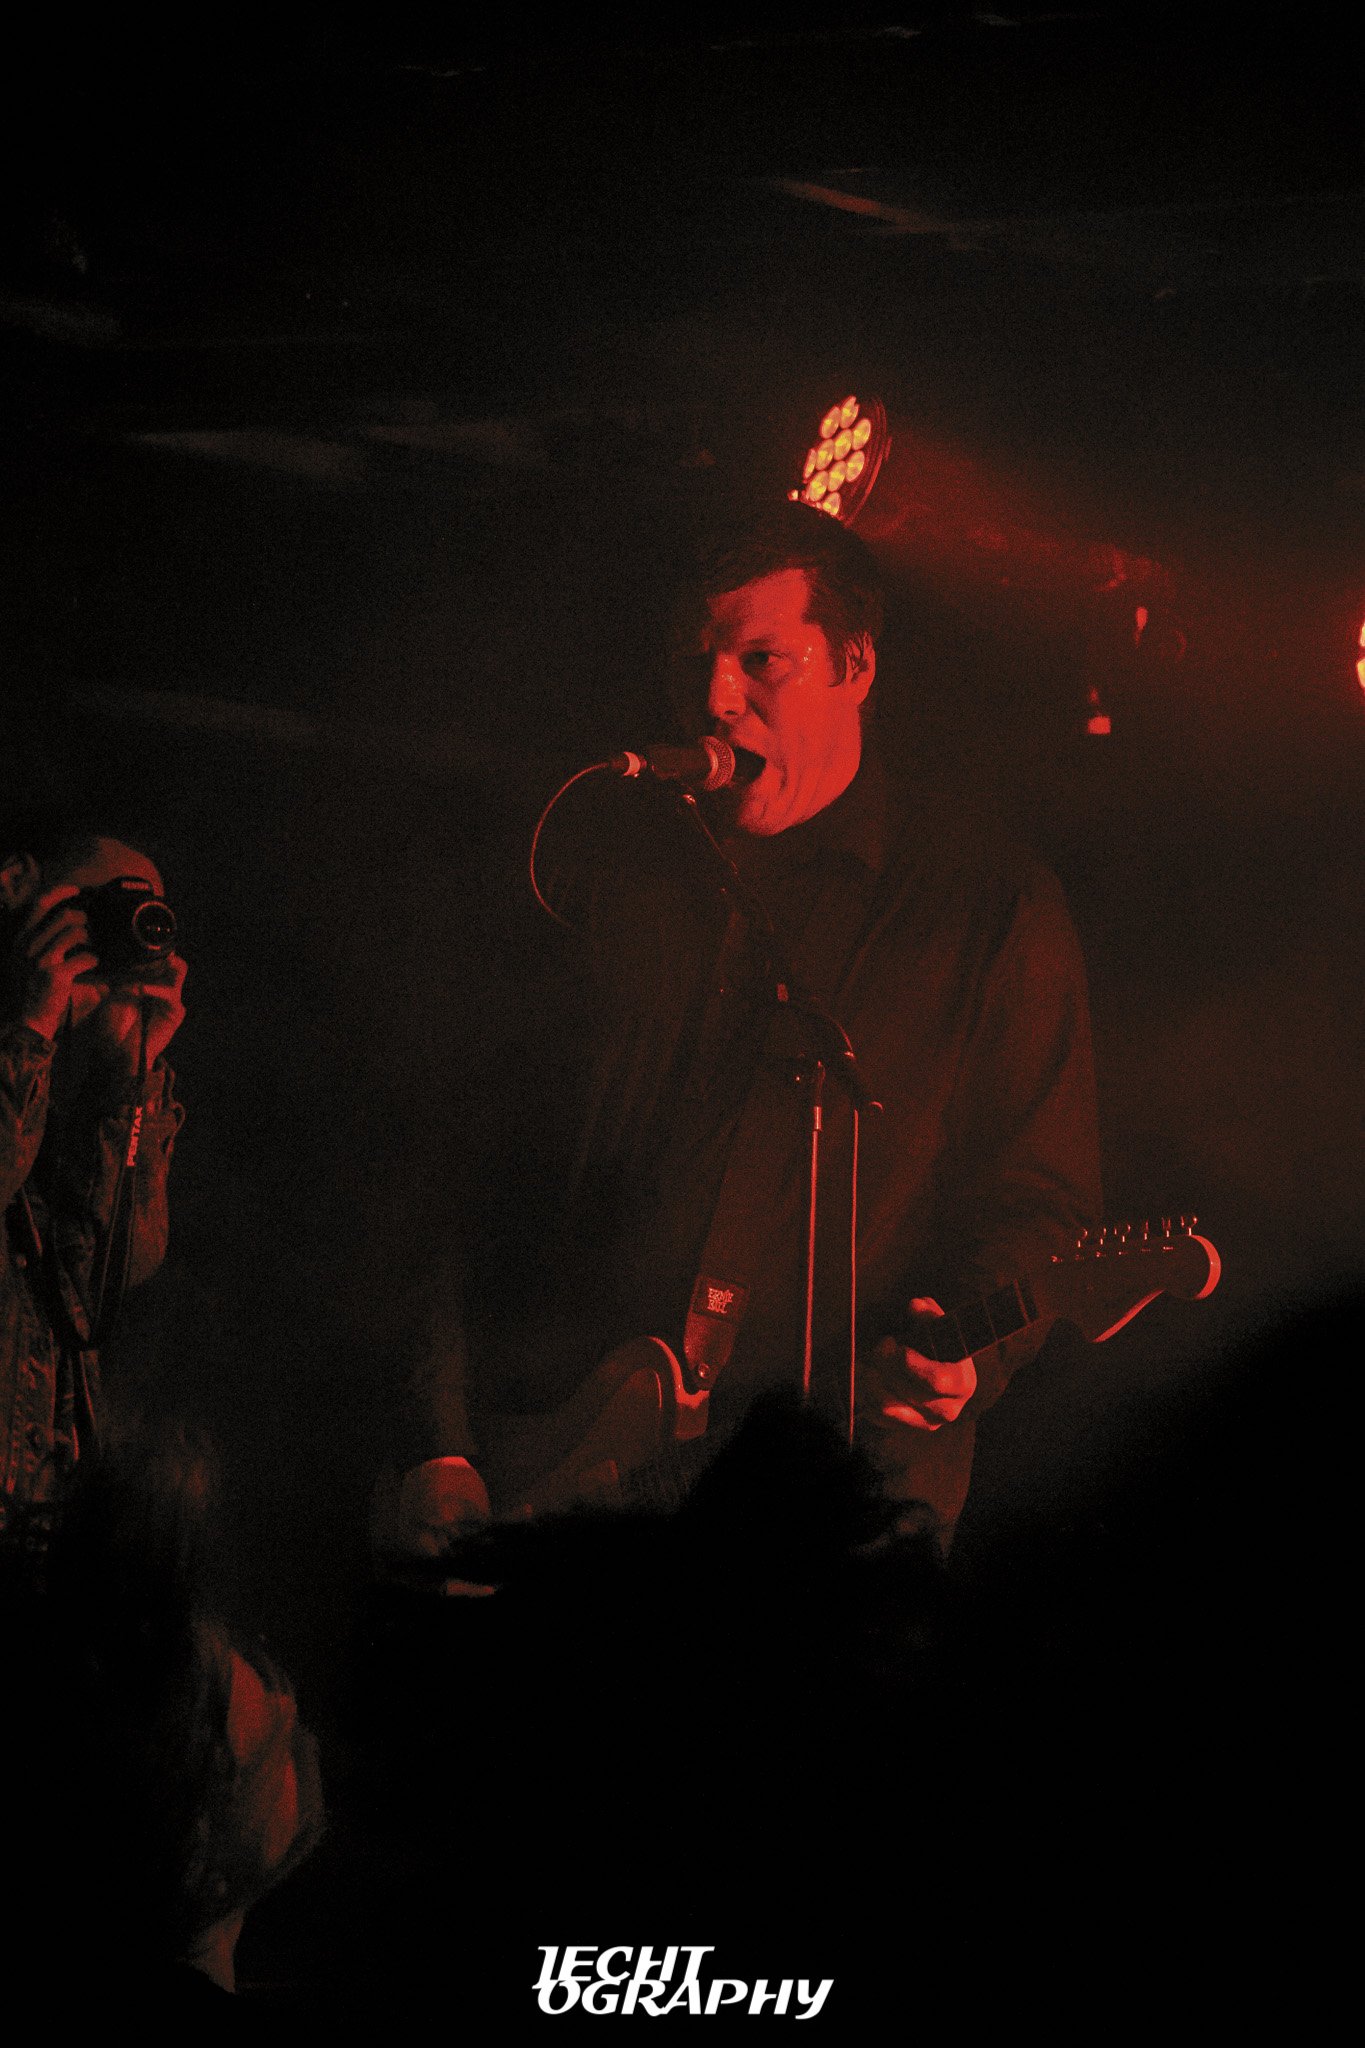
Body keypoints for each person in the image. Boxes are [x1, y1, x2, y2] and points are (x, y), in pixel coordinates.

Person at [386, 500, 1102, 1562]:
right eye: (697, 661)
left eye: (761, 659)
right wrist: (437, 1437)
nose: (716, 698)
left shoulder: (986, 907)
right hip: (557, 1485)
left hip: (833, 1512)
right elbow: (457, 1160)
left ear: (855, 665)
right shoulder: (608, 878)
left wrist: (966, 1354)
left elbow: (1038, 1199)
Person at [0, 815, 186, 1560]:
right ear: (17, 885)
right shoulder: (22, 1053)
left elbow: (116, 1269)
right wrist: (29, 1026)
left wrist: (127, 1078)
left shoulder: (68, 1090)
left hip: (40, 1536)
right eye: (100, 908)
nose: (120, 935)